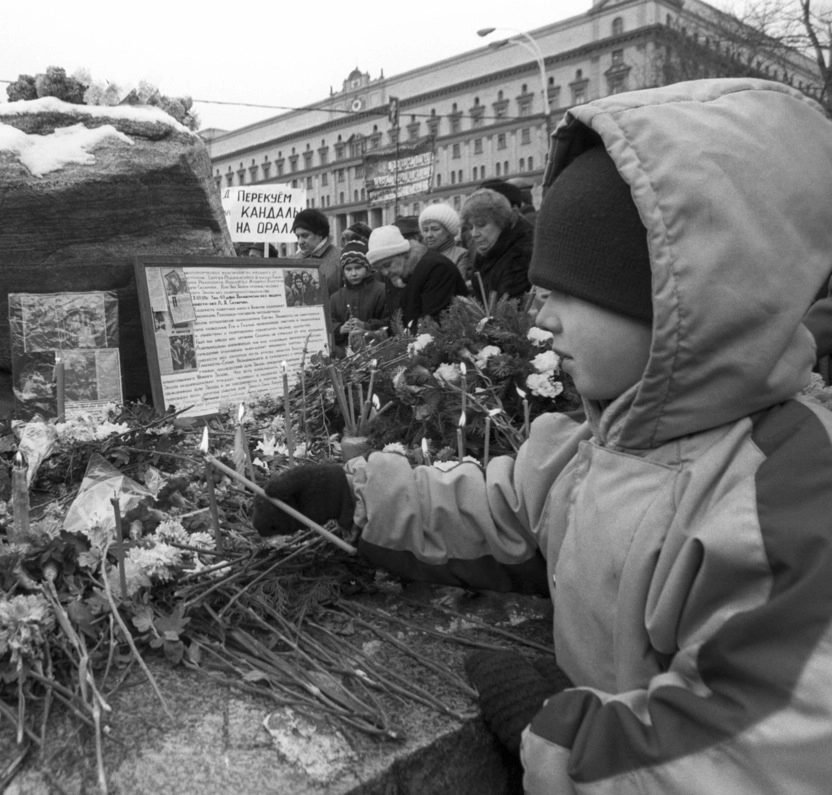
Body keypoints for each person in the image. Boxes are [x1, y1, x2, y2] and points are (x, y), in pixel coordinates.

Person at [254, 79, 832, 792]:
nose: (540, 315)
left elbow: (757, 747)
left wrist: (558, 736)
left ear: (676, 295)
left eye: (565, 290)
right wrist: (357, 494)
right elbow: (505, 514)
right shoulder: (604, 438)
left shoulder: (786, 494)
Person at [367, 225, 466, 331]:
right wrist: (373, 332)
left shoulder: (435, 268)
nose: (385, 272)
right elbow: (398, 322)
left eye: (387, 265)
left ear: (403, 254)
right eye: (379, 268)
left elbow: (434, 322)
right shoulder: (394, 275)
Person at [460, 187, 534, 302]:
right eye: (470, 227)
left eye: (481, 225)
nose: (474, 234)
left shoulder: (521, 255)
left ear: (501, 221)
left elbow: (509, 311)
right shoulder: (488, 251)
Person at [327, 241, 388, 357]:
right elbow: (328, 325)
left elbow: (390, 322)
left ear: (368, 267)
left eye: (358, 268)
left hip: (378, 354)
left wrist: (366, 326)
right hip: (345, 359)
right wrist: (340, 329)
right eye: (348, 269)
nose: (353, 273)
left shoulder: (382, 291)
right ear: (343, 271)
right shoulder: (335, 298)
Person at [291, 208, 341, 295]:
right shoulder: (294, 260)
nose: (300, 242)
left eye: (305, 236)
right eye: (297, 236)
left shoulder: (341, 257)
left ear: (320, 234)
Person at [417, 204, 471, 284]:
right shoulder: (420, 256)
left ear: (449, 231)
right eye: (425, 230)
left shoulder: (461, 255)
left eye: (435, 229)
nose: (429, 235)